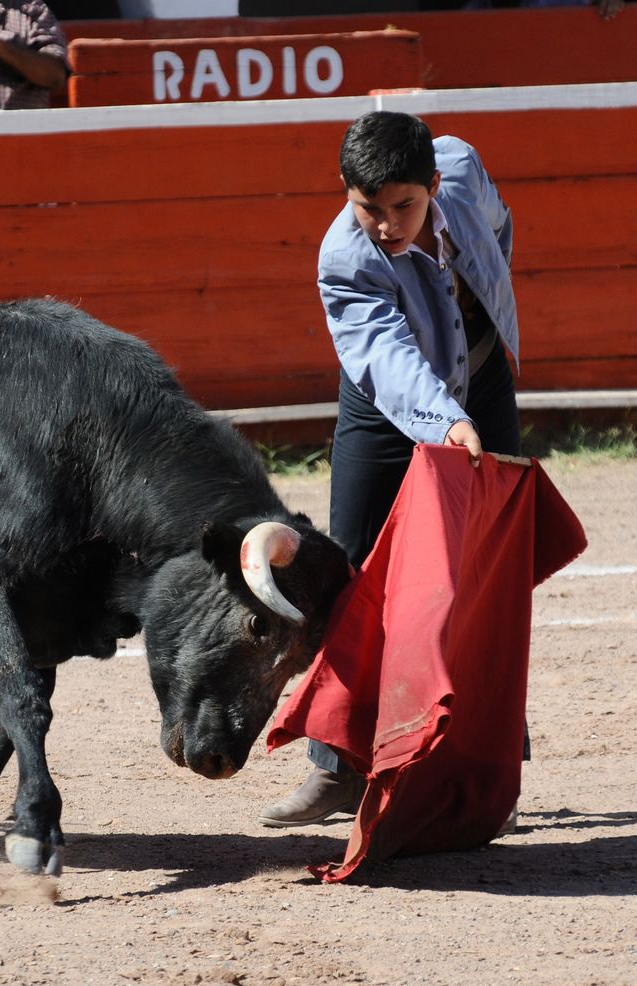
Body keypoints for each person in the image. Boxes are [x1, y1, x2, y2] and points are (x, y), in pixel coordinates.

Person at [259, 110, 523, 828]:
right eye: (366, 207)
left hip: (481, 376)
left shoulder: (462, 170)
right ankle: (336, 765)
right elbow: (389, 361)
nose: (385, 224)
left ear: (434, 186)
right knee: (351, 572)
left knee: (487, 565)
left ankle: (485, 740)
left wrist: (481, 339)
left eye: (404, 206)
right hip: (383, 401)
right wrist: (448, 423)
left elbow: (497, 231)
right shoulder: (345, 259)